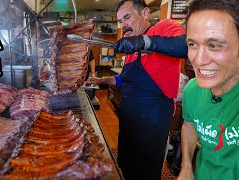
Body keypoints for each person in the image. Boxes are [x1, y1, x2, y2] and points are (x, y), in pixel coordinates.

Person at [86, 0, 188, 179]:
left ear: (146, 13)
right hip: (129, 122)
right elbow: (126, 79)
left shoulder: (164, 27)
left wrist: (144, 41)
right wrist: (100, 79)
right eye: (120, 21)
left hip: (152, 122)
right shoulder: (132, 49)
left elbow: (187, 45)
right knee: (126, 166)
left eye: (127, 17)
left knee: (146, 173)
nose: (123, 24)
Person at [178, 0, 239, 179]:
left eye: (215, 45)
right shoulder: (192, 89)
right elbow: (189, 125)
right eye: (192, 44)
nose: (199, 59)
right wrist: (187, 167)